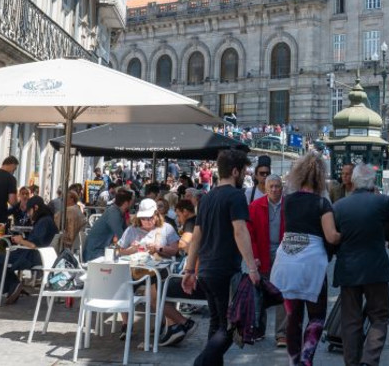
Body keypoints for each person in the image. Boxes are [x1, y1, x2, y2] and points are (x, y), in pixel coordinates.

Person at [181, 149, 260, 365]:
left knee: (216, 323)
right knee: (229, 326)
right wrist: (252, 268)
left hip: (205, 270)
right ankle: (201, 363)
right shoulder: (236, 196)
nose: (245, 175)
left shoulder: (206, 199)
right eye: (244, 171)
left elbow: (196, 237)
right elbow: (240, 231)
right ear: (235, 171)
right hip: (224, 270)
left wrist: (189, 270)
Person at [270, 152, 341, 365]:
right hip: (312, 264)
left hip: (286, 260)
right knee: (317, 316)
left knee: (293, 317)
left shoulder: (288, 201)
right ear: (320, 177)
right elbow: (331, 236)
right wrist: (343, 233)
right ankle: (306, 358)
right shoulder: (322, 204)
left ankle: (294, 360)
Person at [333, 163, 389, 366]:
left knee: (350, 319)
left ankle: (352, 362)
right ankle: (370, 358)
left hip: (348, 269)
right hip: (375, 269)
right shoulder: (381, 201)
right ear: (373, 183)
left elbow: (333, 236)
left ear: (354, 182)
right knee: (380, 315)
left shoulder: (339, 206)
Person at [116, 198, 195, 346]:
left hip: (158, 269)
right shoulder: (131, 230)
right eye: (143, 218)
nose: (146, 221)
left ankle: (172, 324)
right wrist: (130, 250)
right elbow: (120, 251)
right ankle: (127, 325)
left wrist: (159, 248)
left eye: (149, 218)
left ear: (156, 215)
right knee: (123, 286)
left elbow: (175, 250)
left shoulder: (166, 228)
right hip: (134, 269)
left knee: (153, 295)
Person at [0, 196, 57, 305]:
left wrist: (20, 241)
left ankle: (12, 286)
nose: (28, 214)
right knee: (3, 259)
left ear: (35, 208)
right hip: (38, 255)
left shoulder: (43, 222)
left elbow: (33, 245)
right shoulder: (48, 220)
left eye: (29, 211)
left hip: (33, 256)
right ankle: (13, 286)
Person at [248, 174, 288, 348]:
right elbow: (251, 236)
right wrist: (254, 257)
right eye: (270, 186)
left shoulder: (289, 206)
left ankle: (282, 333)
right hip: (262, 255)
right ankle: (259, 329)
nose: (274, 189)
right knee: (261, 292)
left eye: (277, 186)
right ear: (265, 188)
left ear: (282, 188)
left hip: (283, 255)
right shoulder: (255, 206)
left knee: (282, 293)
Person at [84, 189, 133, 261]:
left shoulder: (116, 211)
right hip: (94, 254)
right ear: (126, 203)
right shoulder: (114, 214)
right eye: (131, 202)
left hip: (100, 250)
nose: (132, 204)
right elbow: (122, 238)